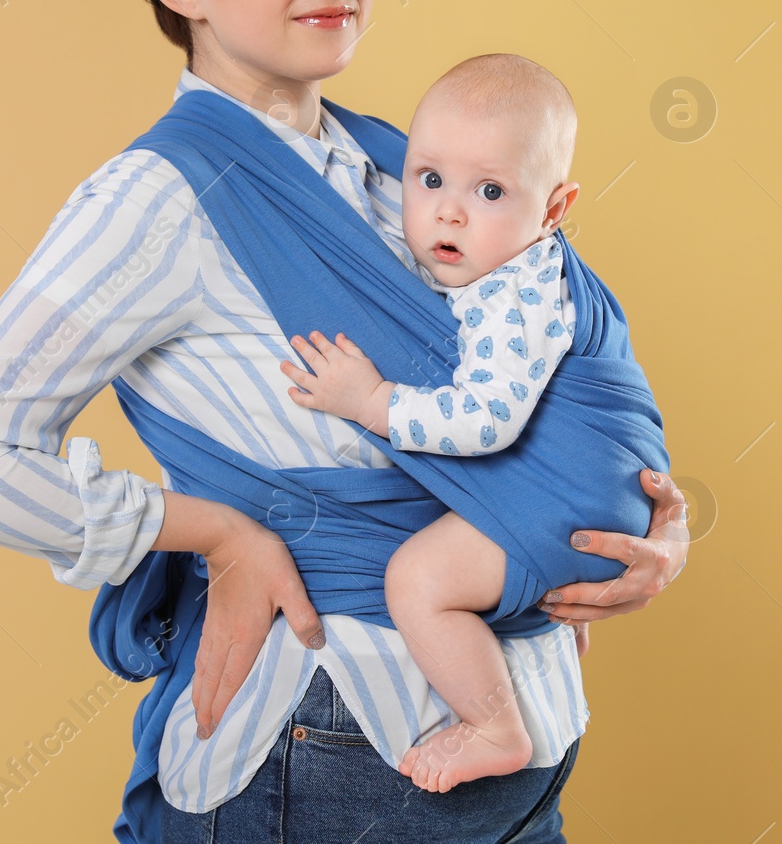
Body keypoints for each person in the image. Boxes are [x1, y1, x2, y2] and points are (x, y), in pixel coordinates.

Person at [0, 0, 688, 844]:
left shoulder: (410, 163)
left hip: (522, 733)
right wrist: (216, 532)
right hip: (335, 740)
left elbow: (549, 383)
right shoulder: (159, 201)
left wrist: (643, 532)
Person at [277, 53, 648, 794]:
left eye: (489, 190)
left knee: (416, 580)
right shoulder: (515, 266)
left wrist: (371, 401)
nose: (449, 210)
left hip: (578, 499)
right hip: (592, 494)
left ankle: (493, 725)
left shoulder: (517, 296)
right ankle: (542, 618)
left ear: (553, 209)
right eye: (430, 178)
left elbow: (486, 422)